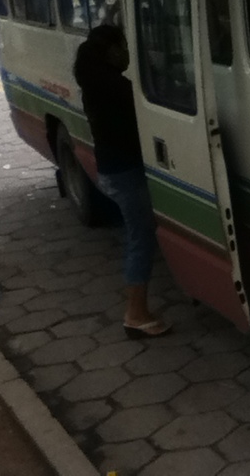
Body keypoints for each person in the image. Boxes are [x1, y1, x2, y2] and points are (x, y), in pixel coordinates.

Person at [73, 24, 171, 338]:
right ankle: (136, 314)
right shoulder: (115, 88)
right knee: (140, 239)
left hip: (113, 169)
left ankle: (138, 311)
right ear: (110, 51)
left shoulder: (96, 82)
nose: (127, 52)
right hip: (124, 172)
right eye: (122, 46)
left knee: (139, 235)